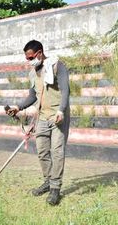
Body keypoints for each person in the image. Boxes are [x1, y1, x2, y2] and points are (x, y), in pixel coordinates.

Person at [6, 40, 70, 206]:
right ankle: (48, 181)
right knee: (42, 152)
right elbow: (33, 96)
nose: (30, 61)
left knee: (57, 153)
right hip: (42, 116)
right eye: (27, 59)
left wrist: (62, 110)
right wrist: (17, 107)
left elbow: (65, 90)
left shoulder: (57, 66)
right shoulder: (33, 73)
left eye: (31, 57)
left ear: (40, 53)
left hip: (57, 116)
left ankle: (55, 188)